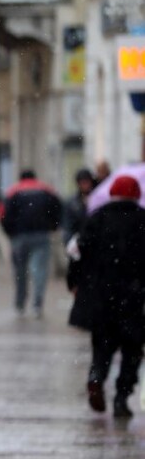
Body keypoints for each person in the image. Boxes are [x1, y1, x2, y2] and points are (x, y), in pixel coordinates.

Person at [67, 175, 145, 419]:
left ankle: (96, 376)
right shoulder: (142, 220)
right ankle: (122, 397)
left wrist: (74, 281)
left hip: (102, 295)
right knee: (132, 349)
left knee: (102, 344)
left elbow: (77, 251)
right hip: (134, 296)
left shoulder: (97, 218)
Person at [0, 169, 63, 318]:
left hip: (19, 237)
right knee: (40, 271)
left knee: (20, 272)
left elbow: (3, 214)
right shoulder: (46, 190)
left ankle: (20, 304)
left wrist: (10, 232)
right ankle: (37, 304)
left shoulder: (13, 191)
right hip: (41, 235)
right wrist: (53, 226)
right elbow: (58, 209)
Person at [62, 168, 97, 245]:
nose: (85, 185)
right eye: (82, 183)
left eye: (86, 182)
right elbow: (68, 226)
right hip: (79, 241)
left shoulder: (97, 200)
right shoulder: (72, 203)